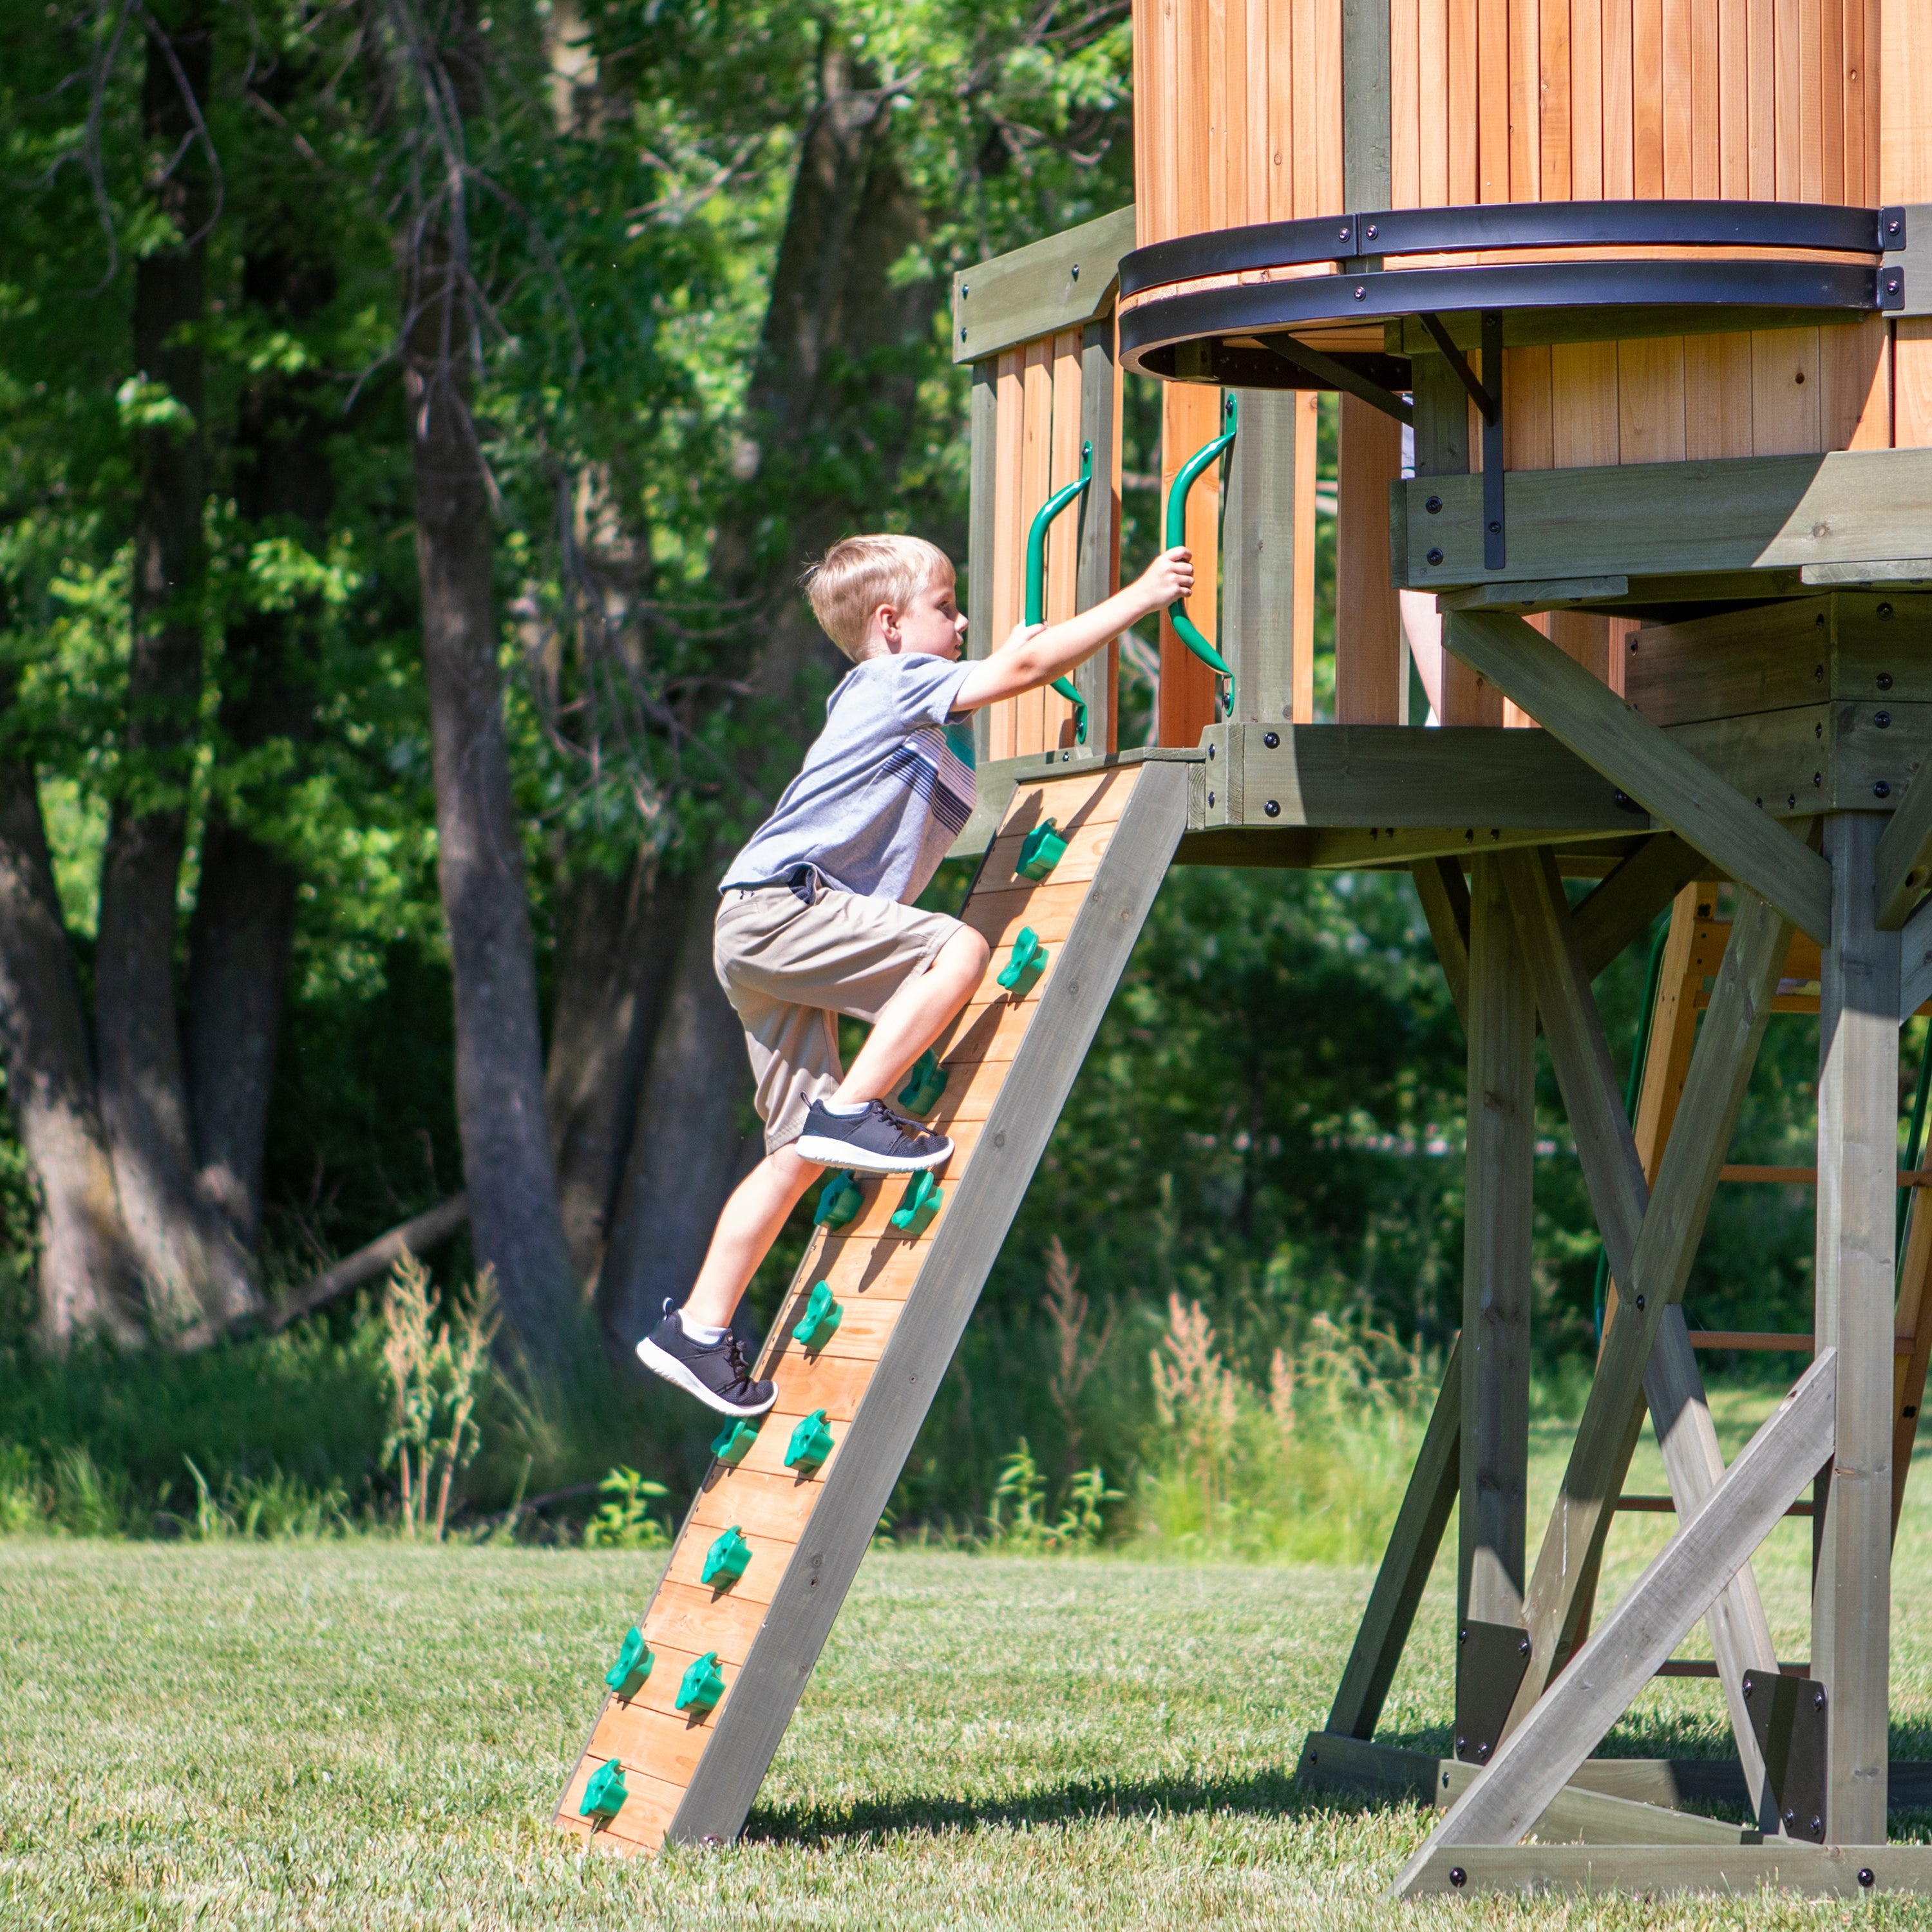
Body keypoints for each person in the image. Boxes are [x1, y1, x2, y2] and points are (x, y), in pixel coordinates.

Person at [635, 530, 1194, 1415]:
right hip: (784, 909)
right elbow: (1028, 668)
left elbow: (1003, 672)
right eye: (946, 606)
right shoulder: (890, 683)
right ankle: (853, 1109)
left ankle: (697, 1331)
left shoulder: (894, 700)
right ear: (891, 625)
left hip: (758, 928)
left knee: (796, 1156)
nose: (963, 619)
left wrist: (1010, 656)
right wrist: (1140, 596)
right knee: (955, 950)